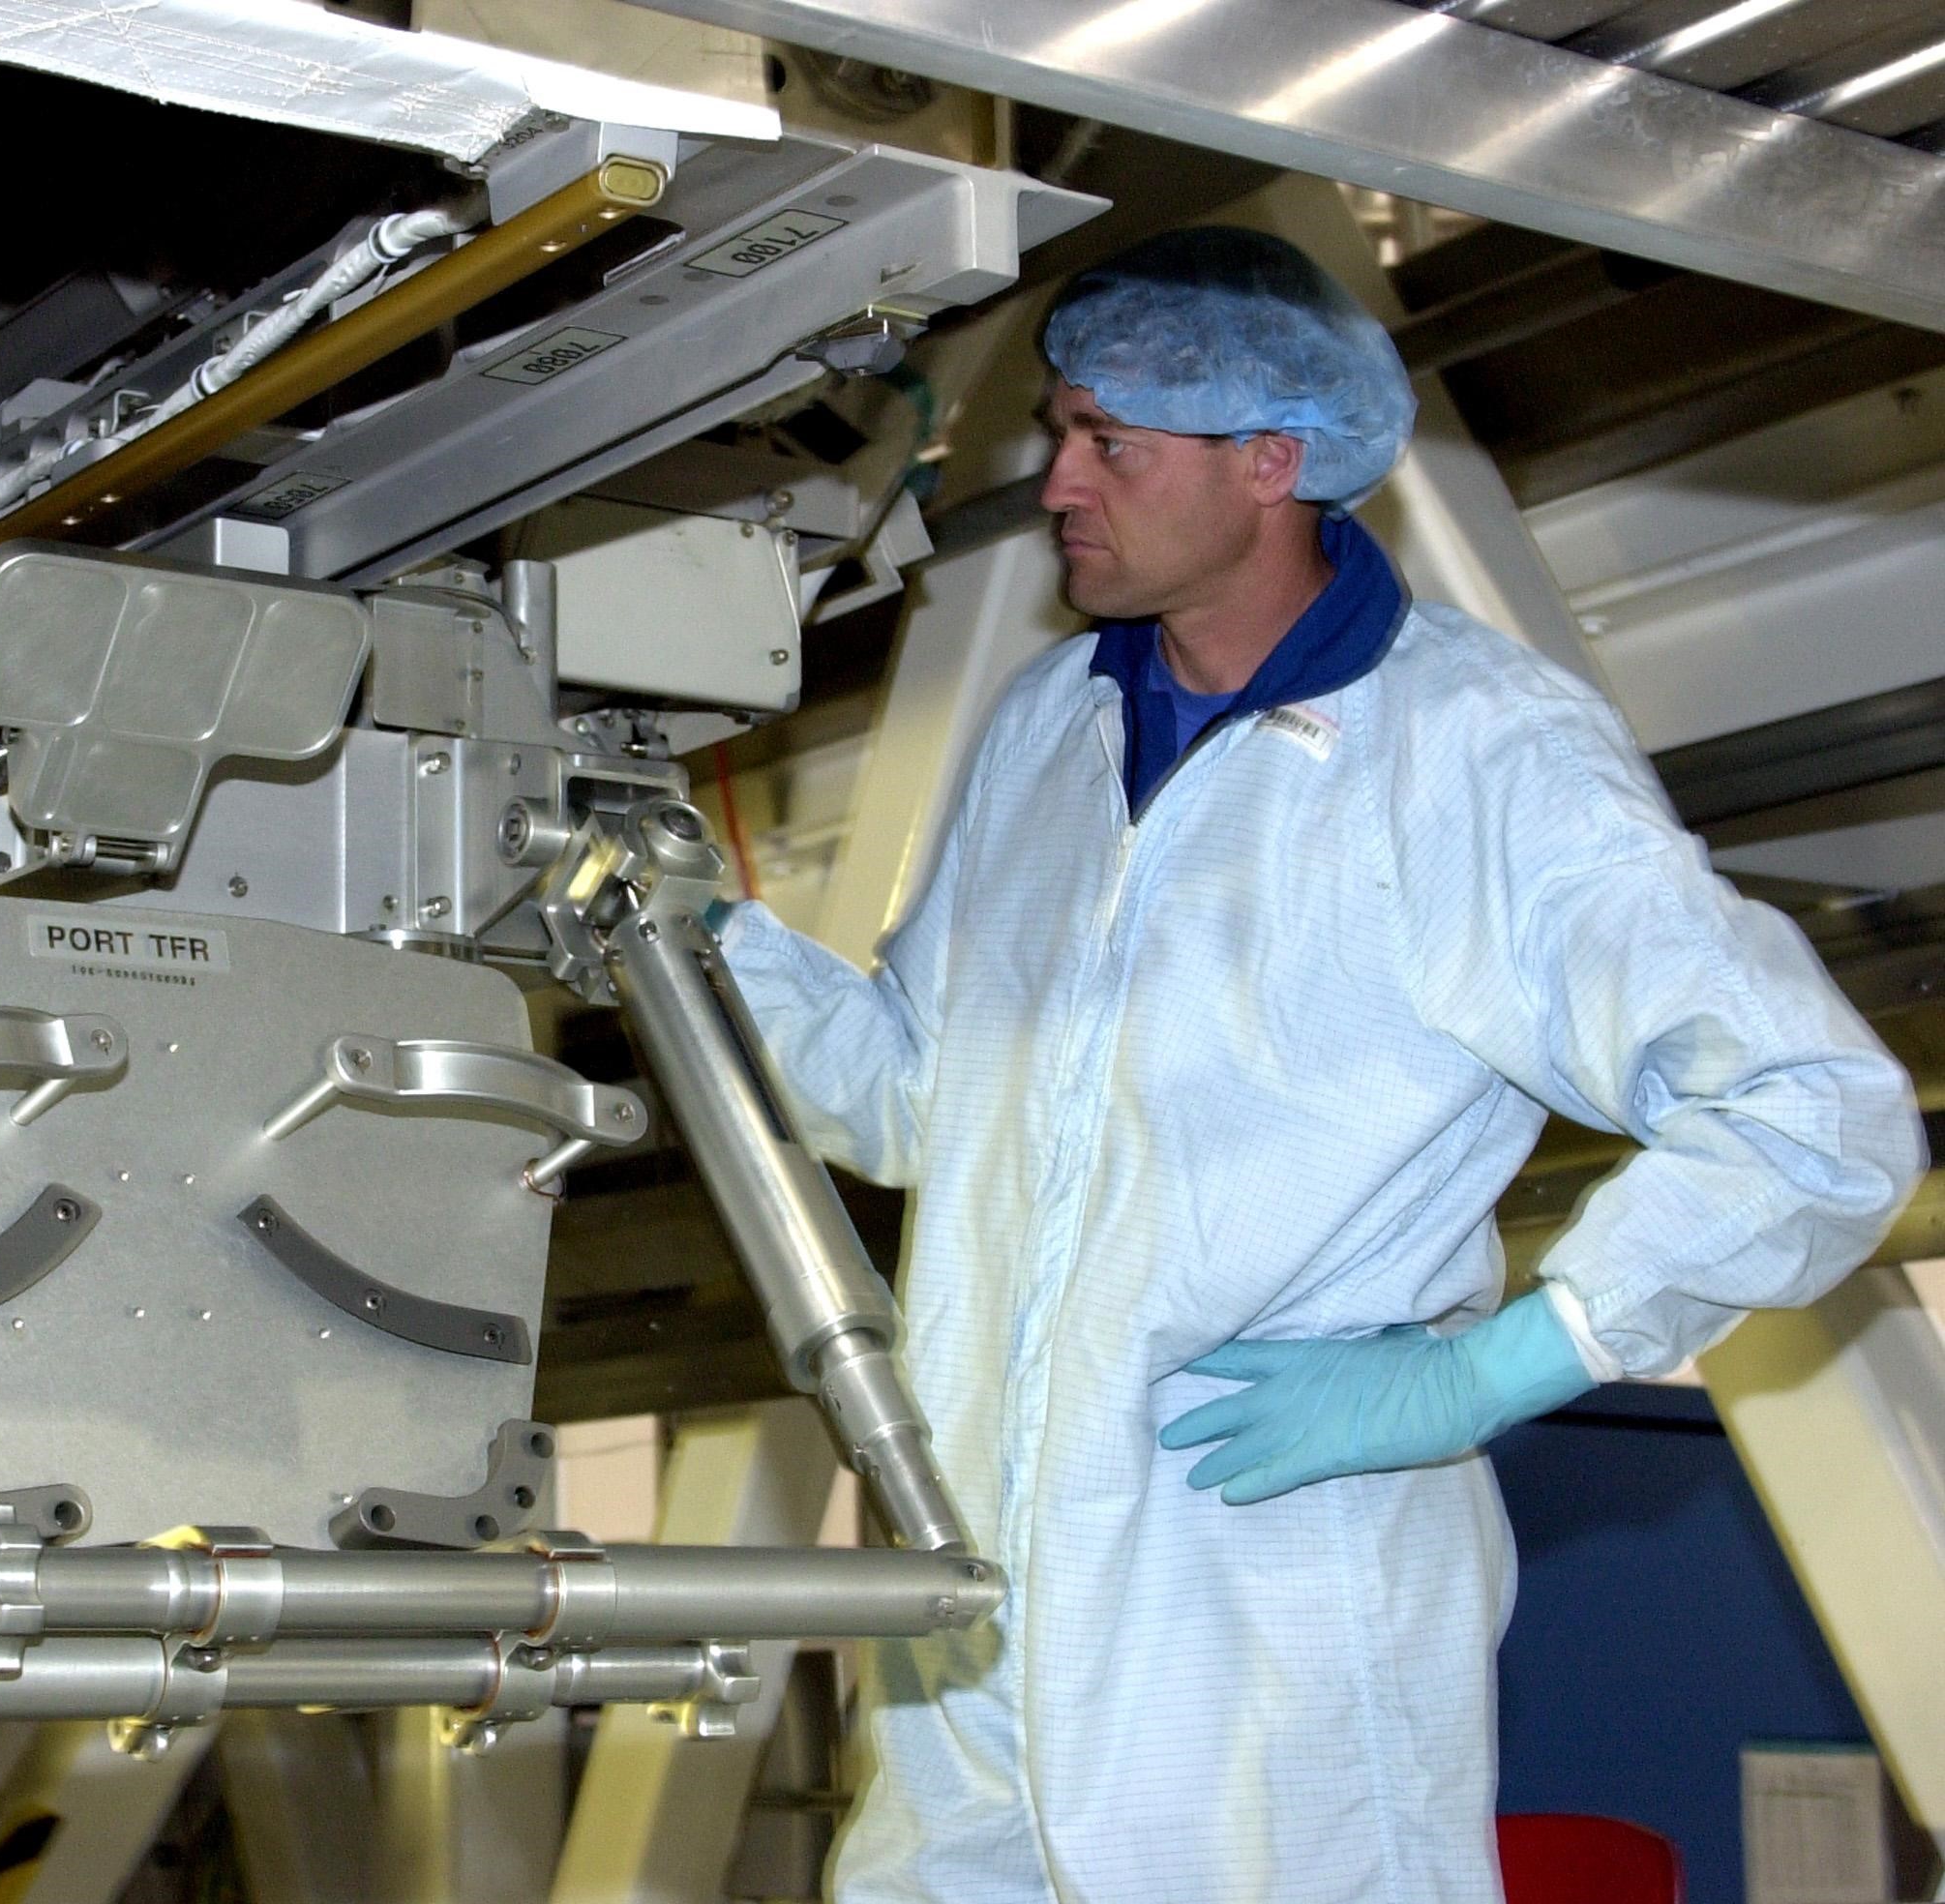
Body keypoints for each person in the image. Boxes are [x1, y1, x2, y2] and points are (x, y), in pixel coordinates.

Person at [710, 225, 1928, 1903]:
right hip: (978, 1614)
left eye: (1109, 442)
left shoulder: (1474, 749)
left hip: (1271, 1606)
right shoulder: (1050, 726)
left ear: (1271, 462)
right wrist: (703, 934)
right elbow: (926, 1097)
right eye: (1060, 431)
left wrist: (1492, 1370)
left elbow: (1815, 1116)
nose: (1057, 482)